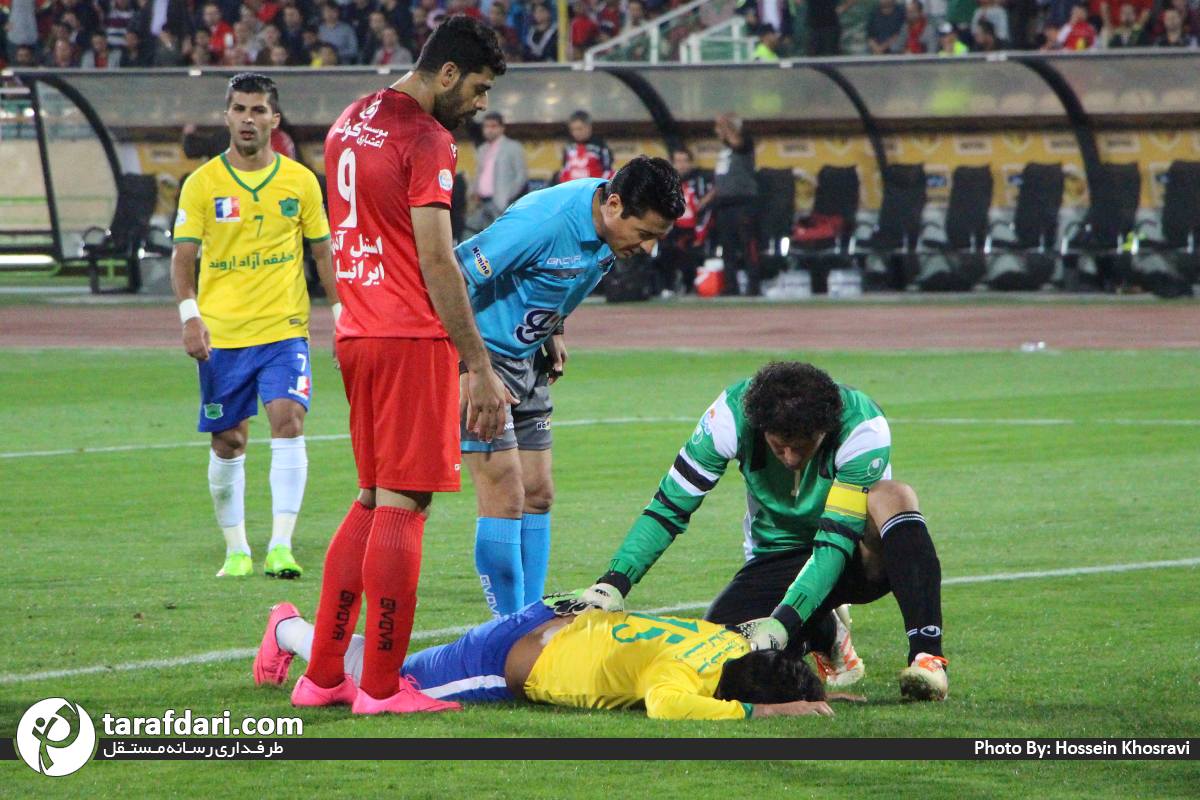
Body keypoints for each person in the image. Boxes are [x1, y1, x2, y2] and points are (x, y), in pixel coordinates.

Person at [299, 15, 512, 716]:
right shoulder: (426, 136)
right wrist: (476, 364)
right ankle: (383, 690)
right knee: (405, 504)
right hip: (410, 335)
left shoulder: (349, 120)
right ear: (446, 73)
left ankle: (324, 675)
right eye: (478, 89)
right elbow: (435, 257)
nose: (481, 104)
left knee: (371, 496)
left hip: (357, 330)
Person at [571, 361, 950, 702]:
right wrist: (614, 582)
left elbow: (835, 542)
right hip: (775, 559)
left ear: (823, 430)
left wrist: (783, 623)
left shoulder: (862, 427)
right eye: (778, 446)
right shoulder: (729, 416)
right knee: (724, 661)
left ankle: (927, 657)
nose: (789, 458)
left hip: (853, 556)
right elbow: (670, 506)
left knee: (893, 496)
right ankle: (824, 631)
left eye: (801, 448)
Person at [456, 156, 682, 619]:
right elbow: (455, 276)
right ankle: (507, 631)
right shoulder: (542, 222)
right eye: (645, 235)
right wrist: (472, 366)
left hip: (525, 359)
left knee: (538, 492)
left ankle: (528, 619)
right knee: (505, 494)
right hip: (483, 360)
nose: (649, 248)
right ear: (614, 205)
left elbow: (557, 279)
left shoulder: (606, 227)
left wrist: (554, 329)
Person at [170, 73, 337, 582]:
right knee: (229, 442)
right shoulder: (202, 184)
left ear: (274, 120)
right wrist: (190, 315)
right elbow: (182, 259)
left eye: (258, 110)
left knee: (288, 420)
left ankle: (281, 546)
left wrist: (341, 314)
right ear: (226, 116)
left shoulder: (301, 181)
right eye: (239, 109)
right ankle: (237, 548)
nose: (248, 118)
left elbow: (322, 251)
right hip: (222, 335)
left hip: (284, 328)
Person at [255, 599, 859, 719]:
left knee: (389, 667)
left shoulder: (727, 642)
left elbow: (758, 665)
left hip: (551, 621)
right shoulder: (678, 679)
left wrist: (813, 693)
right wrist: (772, 714)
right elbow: (666, 707)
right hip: (506, 661)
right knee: (387, 679)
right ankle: (288, 631)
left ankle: (294, 636)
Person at [711, 112, 759, 295]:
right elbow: (721, 179)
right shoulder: (724, 151)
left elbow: (736, 142)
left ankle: (753, 285)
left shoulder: (745, 144)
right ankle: (731, 285)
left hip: (743, 202)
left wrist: (725, 123)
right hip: (724, 204)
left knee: (747, 245)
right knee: (727, 248)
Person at [654, 147, 712, 296]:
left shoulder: (699, 181)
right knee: (665, 250)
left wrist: (700, 233)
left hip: (692, 229)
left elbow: (706, 209)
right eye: (677, 162)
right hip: (672, 228)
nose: (681, 165)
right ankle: (667, 287)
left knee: (689, 253)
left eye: (685, 161)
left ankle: (690, 286)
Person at [464, 111, 528, 237]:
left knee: (500, 236)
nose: (489, 130)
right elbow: (480, 172)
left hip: (501, 202)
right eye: (486, 126)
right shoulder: (483, 149)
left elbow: (521, 176)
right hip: (481, 202)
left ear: (501, 128)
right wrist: (473, 190)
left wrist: (509, 196)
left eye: (493, 126)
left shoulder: (513, 147)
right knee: (473, 232)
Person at [559, 109, 613, 183]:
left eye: (579, 129)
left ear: (588, 127)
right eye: (573, 130)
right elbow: (564, 170)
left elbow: (608, 172)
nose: (576, 133)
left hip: (593, 190)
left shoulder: (600, 147)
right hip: (573, 189)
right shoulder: (569, 147)